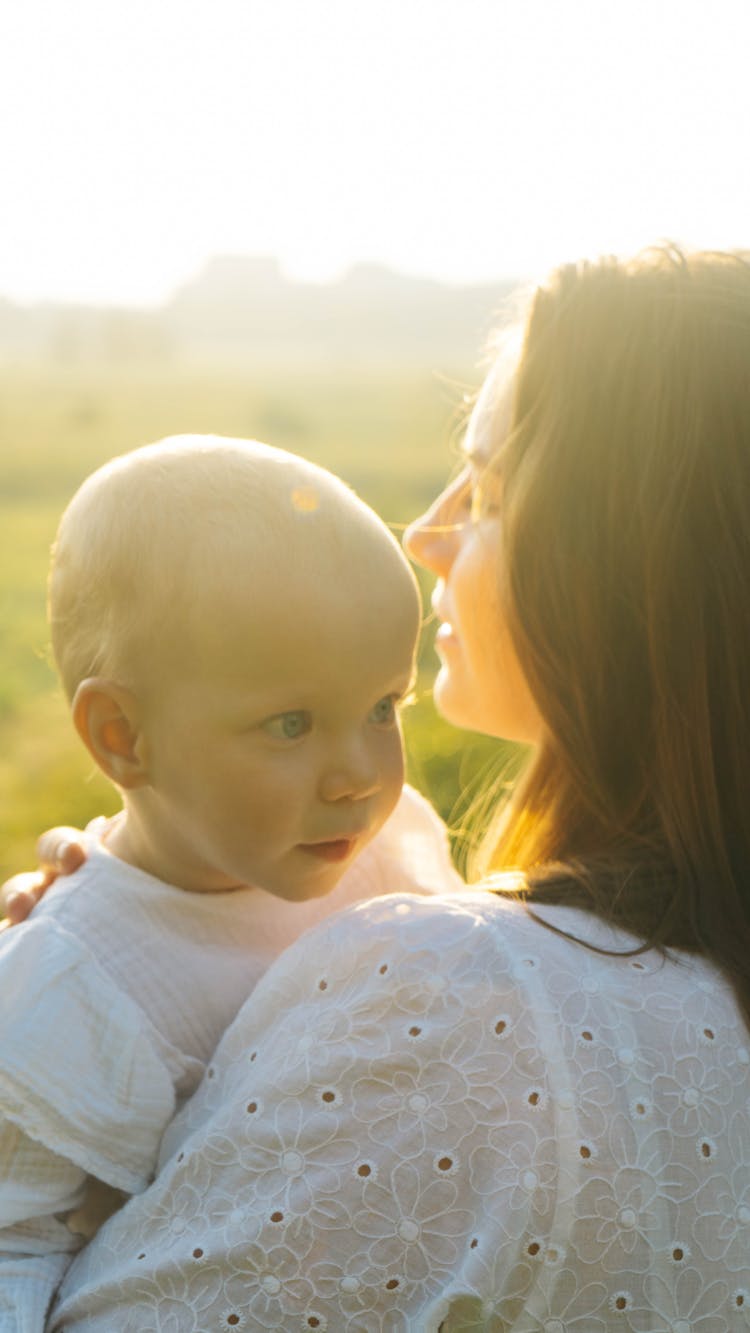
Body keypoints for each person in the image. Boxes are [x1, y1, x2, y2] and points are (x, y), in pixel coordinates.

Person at [8, 245, 750, 1329]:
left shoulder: (449, 1002)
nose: (426, 530)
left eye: (489, 487)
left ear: (629, 558)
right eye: (290, 725)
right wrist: (157, 893)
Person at [0, 435, 462, 1331]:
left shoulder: (380, 846)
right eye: (291, 723)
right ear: (123, 736)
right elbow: (13, 1242)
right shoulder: (77, 989)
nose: (359, 773)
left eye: (383, 706)